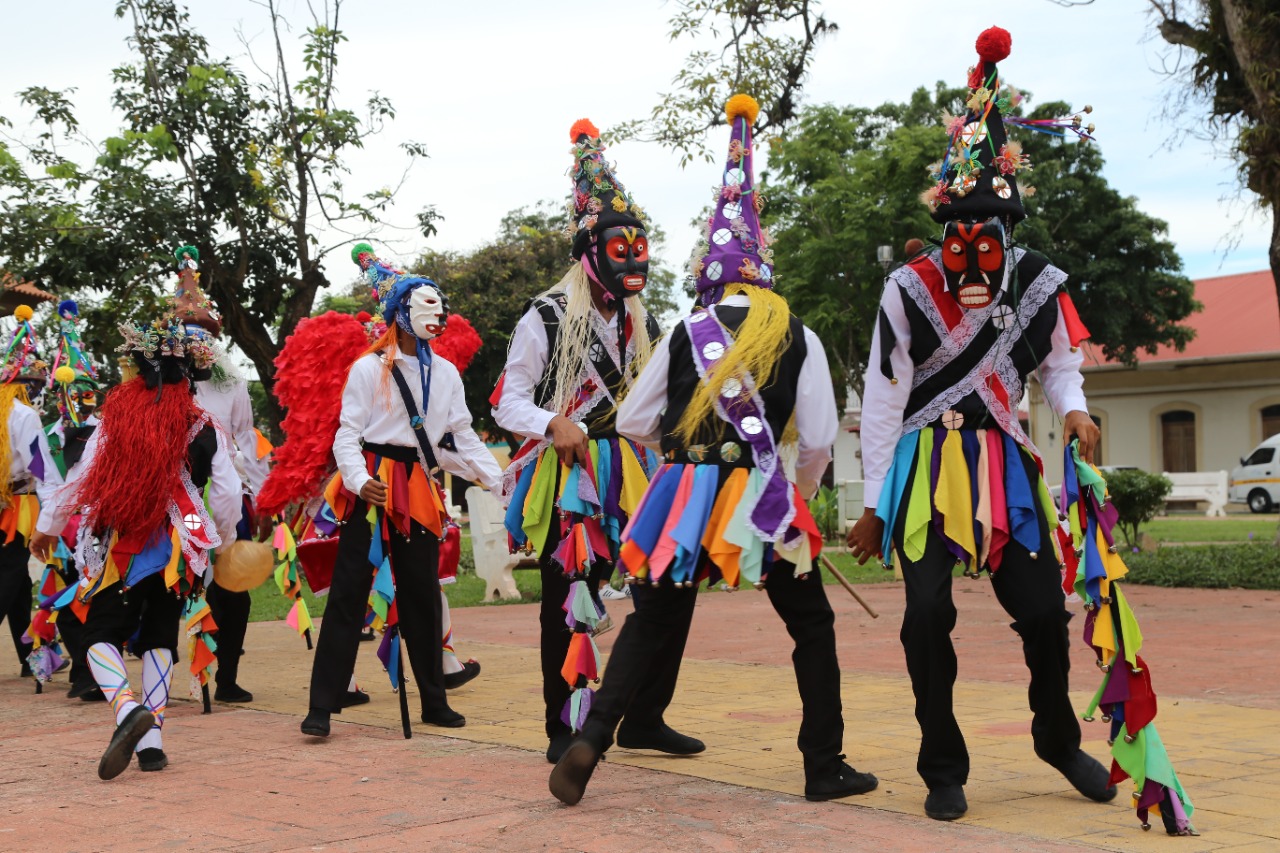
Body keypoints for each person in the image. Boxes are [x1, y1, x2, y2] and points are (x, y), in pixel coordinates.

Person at [549, 94, 877, 807]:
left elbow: (633, 421)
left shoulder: (682, 331)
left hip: (685, 493)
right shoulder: (797, 332)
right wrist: (798, 491)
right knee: (811, 625)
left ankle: (591, 739)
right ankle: (823, 765)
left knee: (652, 618)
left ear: (710, 270)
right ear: (761, 268)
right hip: (761, 493)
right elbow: (820, 437)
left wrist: (681, 452)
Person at [846, 27, 1115, 822]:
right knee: (926, 615)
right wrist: (874, 502)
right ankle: (942, 765)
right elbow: (884, 396)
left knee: (1044, 611)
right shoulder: (908, 286)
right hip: (924, 469)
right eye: (956, 234)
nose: (969, 252)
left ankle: (1057, 738)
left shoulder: (1035, 282)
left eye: (984, 235)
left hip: (1004, 464)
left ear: (1007, 228)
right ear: (943, 226)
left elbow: (1059, 364)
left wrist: (1074, 409)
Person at [493, 118, 700, 764]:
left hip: (636, 468)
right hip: (574, 474)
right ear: (590, 252)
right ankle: (564, 726)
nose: (633, 258)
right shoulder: (547, 316)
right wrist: (552, 423)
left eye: (639, 246)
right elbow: (506, 401)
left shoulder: (644, 321)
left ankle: (645, 716)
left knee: (670, 586)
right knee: (568, 601)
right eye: (620, 247)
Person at [299, 245, 501, 738]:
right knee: (349, 593)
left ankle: (434, 701)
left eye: (440, 305)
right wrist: (358, 479)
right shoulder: (369, 368)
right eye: (426, 304)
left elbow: (460, 435)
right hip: (372, 481)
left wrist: (498, 480)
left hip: (417, 483)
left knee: (421, 596)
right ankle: (322, 705)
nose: (437, 314)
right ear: (401, 312)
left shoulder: (446, 373)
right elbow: (347, 434)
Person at [30, 314, 242, 779]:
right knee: (159, 637)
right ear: (189, 375)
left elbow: (81, 480)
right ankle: (151, 745)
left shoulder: (114, 421)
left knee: (98, 635)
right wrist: (223, 541)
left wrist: (48, 526)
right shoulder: (204, 426)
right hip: (178, 547)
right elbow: (227, 495)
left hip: (125, 542)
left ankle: (127, 710)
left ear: (137, 372)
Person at [169, 245, 271, 704]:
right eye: (190, 336)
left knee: (234, 589)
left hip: (228, 502)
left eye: (205, 336)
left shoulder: (233, 386)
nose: (199, 344)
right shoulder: (163, 387)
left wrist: (264, 497)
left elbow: (248, 441)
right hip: (180, 503)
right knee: (182, 583)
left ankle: (226, 677)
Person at [0, 306, 63, 677]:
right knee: (9, 577)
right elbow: (40, 468)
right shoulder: (23, 415)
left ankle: (32, 656)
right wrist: (55, 505)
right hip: (16, 505)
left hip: (6, 502)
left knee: (19, 582)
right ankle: (34, 656)